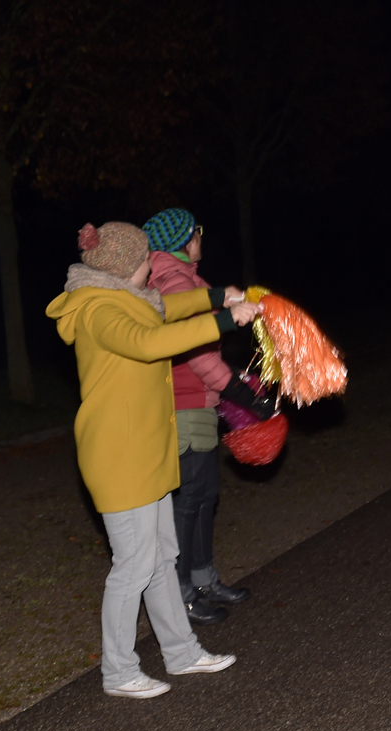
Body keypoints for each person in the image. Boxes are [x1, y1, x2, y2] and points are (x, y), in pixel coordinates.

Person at [45, 222, 260, 699]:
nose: (153, 268)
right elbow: (150, 343)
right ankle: (118, 671)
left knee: (163, 555)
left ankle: (181, 652)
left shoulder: (126, 298)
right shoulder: (100, 310)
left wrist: (219, 297)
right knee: (134, 565)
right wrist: (225, 320)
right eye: (147, 259)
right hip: (119, 456)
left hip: (143, 451)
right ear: (128, 267)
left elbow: (169, 306)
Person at [143, 208, 274, 626]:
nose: (202, 237)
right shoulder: (175, 279)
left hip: (198, 402)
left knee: (204, 495)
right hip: (183, 404)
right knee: (191, 500)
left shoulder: (186, 277)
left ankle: (203, 577)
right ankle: (182, 591)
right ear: (184, 239)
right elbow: (197, 353)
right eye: (197, 231)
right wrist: (242, 396)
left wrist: (236, 379)